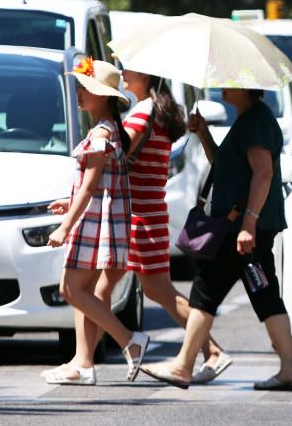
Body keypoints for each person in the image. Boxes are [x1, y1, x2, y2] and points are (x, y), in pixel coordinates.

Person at [141, 88, 292, 390]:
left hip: (240, 229)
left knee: (206, 292)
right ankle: (291, 367)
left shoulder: (256, 121)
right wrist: (203, 134)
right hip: (240, 227)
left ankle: (183, 365)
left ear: (246, 89)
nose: (224, 87)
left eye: (231, 83)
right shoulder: (247, 120)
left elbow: (264, 173)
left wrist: (249, 224)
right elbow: (225, 165)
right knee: (263, 295)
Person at [90, 70, 233, 384]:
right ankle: (85, 360)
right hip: (147, 211)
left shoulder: (142, 113)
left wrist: (105, 124)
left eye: (128, 70)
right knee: (123, 289)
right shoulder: (159, 112)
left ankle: (209, 351)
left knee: (138, 290)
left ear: (145, 75)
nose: (123, 74)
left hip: (137, 215)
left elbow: (116, 154)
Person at [43, 57, 149, 385]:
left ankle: (130, 340)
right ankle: (83, 363)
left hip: (95, 225)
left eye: (84, 88)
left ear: (102, 96)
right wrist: (69, 202)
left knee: (71, 289)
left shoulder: (102, 132)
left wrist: (65, 227)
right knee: (84, 291)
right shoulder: (107, 129)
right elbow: (95, 184)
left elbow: (90, 186)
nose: (77, 93)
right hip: (99, 221)